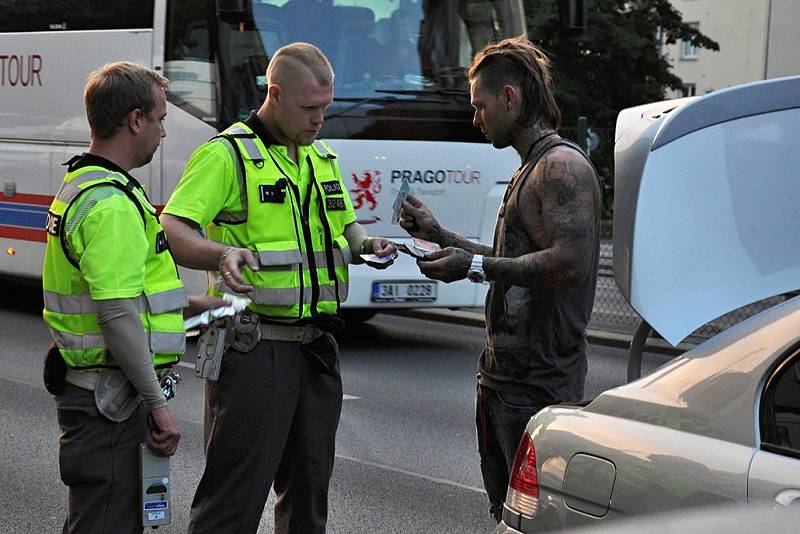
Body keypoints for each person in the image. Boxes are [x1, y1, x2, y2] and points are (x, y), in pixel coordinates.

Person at [160, 42, 396, 534]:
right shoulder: (227, 155)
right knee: (233, 501)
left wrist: (368, 243)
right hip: (254, 349)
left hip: (316, 349)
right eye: (310, 108)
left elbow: (345, 229)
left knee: (309, 499)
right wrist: (220, 254)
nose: (320, 120)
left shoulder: (321, 157)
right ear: (275, 94)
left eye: (326, 108)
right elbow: (174, 229)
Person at [399, 36, 602, 522]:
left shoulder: (562, 167)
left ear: (509, 98)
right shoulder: (531, 168)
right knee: (508, 518)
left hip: (540, 388)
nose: (476, 118)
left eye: (480, 106)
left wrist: (471, 266)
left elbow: (568, 263)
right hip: (505, 382)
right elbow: (518, 260)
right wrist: (440, 235)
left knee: (534, 521)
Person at [42, 61, 223, 533]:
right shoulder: (113, 204)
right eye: (161, 118)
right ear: (135, 120)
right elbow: (117, 315)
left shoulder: (87, 184)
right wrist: (158, 407)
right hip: (111, 405)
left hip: (99, 397)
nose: (164, 131)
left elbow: (126, 297)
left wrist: (202, 306)